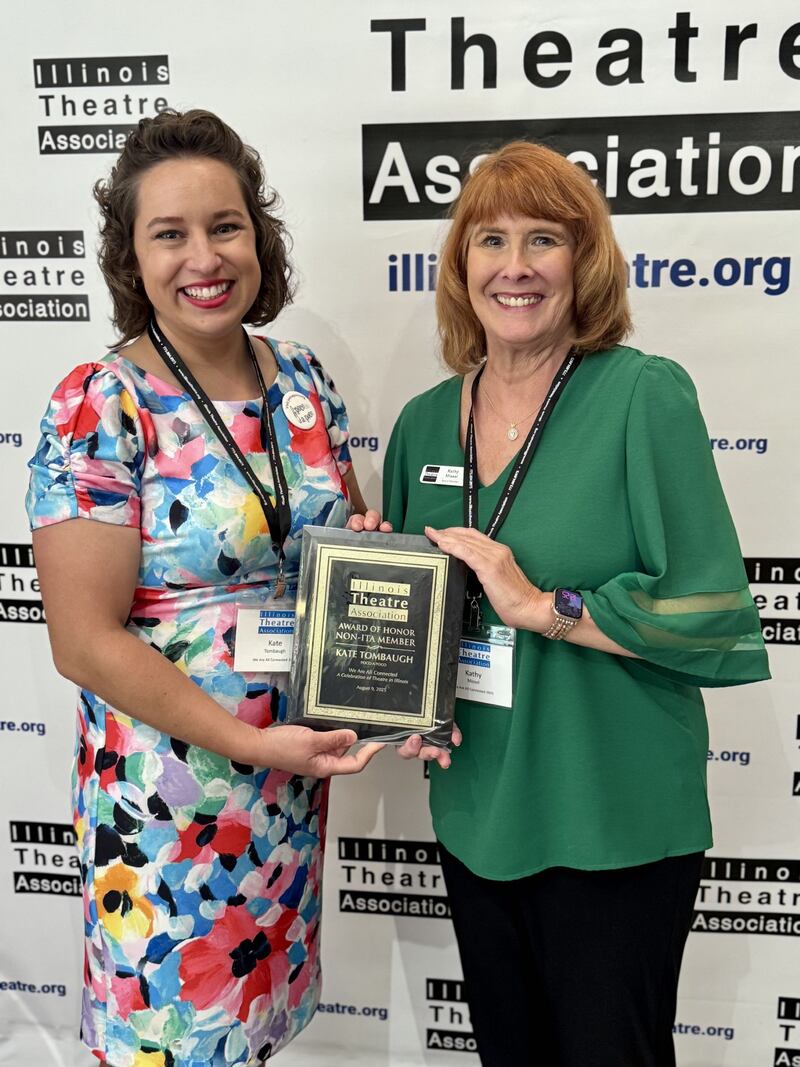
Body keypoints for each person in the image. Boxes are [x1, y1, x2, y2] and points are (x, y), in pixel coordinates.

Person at [377, 141, 770, 1066]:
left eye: (543, 240)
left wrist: (540, 604)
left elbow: (709, 610)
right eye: (491, 240)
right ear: (460, 264)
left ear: (582, 262)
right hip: (478, 807)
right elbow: (412, 614)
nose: (514, 267)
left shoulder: (642, 395)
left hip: (613, 816)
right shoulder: (425, 421)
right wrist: (397, 680)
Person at [26, 109, 382, 1067]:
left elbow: (336, 551)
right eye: (169, 233)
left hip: (288, 788)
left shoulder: (302, 379)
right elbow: (84, 641)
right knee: (171, 1038)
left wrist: (380, 575)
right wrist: (249, 742)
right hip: (168, 802)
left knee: (255, 1032)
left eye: (224, 226)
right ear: (131, 260)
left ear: (257, 236)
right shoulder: (99, 403)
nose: (204, 256)